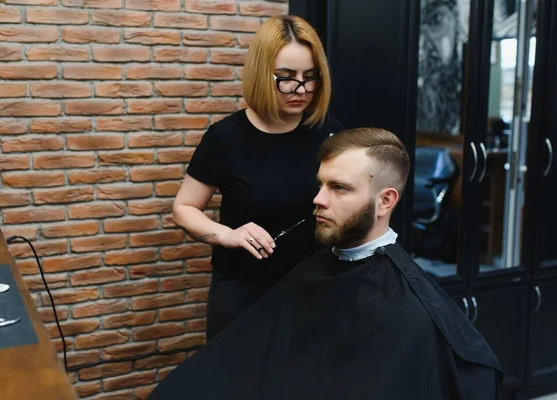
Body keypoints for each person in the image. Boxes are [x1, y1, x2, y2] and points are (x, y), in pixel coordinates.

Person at [150, 128, 502, 399]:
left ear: (385, 201)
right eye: (320, 184)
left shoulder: (411, 313)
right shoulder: (312, 272)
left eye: (339, 188)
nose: (317, 199)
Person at [172, 15, 343, 340]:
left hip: (313, 291)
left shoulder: (331, 133)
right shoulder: (225, 138)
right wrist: (227, 235)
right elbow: (183, 208)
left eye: (310, 77)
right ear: (261, 74)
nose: (301, 89)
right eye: (287, 78)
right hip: (242, 294)